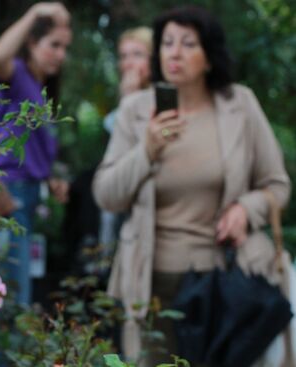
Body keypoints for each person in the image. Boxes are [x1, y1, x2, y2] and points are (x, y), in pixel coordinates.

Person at [92, 5, 290, 366]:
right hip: (149, 285)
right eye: (167, 43)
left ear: (210, 57)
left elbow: (277, 185)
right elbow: (106, 195)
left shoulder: (239, 105)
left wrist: (246, 209)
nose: (175, 53)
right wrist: (147, 151)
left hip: (223, 282)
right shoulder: (136, 110)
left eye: (188, 43)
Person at [0, 2, 71, 305]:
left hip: (29, 195)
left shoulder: (38, 88)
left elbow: (33, 146)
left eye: (65, 47)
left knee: (13, 295)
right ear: (32, 43)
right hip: (10, 194)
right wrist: (37, 11)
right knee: (8, 299)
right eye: (54, 45)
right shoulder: (18, 74)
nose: (60, 54)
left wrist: (51, 178)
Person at [100, 26, 153, 250]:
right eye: (124, 56)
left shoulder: (162, 99)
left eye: (137, 55)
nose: (128, 63)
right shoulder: (124, 104)